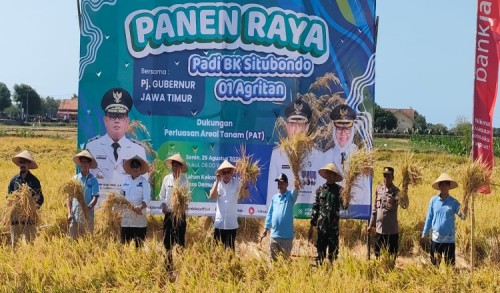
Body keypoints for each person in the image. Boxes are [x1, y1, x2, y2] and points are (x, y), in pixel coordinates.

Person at [267, 98, 327, 217]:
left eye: (301, 124)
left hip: (308, 213)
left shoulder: (319, 155)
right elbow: (272, 195)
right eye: (293, 123)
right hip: (284, 214)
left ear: (307, 127)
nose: (297, 129)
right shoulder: (277, 153)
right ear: (287, 127)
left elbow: (321, 192)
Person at [85, 87, 146, 195]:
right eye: (113, 116)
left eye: (121, 116)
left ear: (127, 121)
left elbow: (143, 184)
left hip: (127, 206)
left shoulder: (138, 150)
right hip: (100, 206)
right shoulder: (92, 147)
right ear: (105, 120)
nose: (117, 120)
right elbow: (86, 180)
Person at [324, 104, 371, 210]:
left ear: (353, 129)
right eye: (339, 128)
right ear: (334, 130)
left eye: (347, 128)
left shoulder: (360, 159)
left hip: (351, 209)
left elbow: (364, 193)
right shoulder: (325, 156)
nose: (343, 134)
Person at [421, 173, 466, 266]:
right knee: (434, 265)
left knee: (450, 266)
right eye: (442, 184)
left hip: (449, 240)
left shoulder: (454, 202)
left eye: (446, 184)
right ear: (439, 186)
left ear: (449, 187)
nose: (444, 186)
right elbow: (429, 217)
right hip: (436, 239)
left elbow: (463, 217)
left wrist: (466, 204)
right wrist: (424, 233)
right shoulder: (433, 200)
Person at [368, 167, 406, 262]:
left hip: (391, 230)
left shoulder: (397, 192)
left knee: (391, 255)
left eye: (388, 176)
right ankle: (380, 272)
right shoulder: (379, 189)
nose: (386, 178)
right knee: (378, 254)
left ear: (393, 177)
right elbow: (375, 209)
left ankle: (390, 271)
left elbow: (404, 205)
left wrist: (405, 192)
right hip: (380, 229)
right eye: (384, 176)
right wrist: (371, 225)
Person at [158, 153, 190, 269]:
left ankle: (181, 267)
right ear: (171, 166)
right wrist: (163, 206)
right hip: (169, 215)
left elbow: (187, 200)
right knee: (167, 243)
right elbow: (161, 196)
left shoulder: (185, 181)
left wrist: (183, 206)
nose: (175, 168)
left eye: (178, 165)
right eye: (174, 165)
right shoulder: (167, 179)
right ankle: (168, 267)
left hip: (180, 216)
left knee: (180, 242)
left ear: (181, 168)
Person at [308, 163, 343, 265]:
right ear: (326, 175)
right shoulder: (320, 190)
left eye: (332, 174)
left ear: (335, 176)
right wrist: (311, 226)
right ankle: (320, 271)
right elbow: (315, 208)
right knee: (320, 252)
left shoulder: (340, 191)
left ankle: (331, 273)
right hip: (321, 227)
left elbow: (345, 206)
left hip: (333, 228)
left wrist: (347, 196)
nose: (330, 176)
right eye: (328, 173)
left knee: (333, 254)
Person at [209, 160, 248, 251]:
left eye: (228, 172)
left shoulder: (237, 183)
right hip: (219, 224)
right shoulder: (217, 184)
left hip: (231, 224)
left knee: (230, 251)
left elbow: (246, 195)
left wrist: (245, 185)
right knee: (217, 251)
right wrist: (217, 181)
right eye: (224, 172)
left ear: (232, 172)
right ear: (221, 173)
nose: (226, 174)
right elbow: (211, 196)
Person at [8, 150, 44, 247]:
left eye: (25, 162)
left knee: (28, 244)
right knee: (14, 244)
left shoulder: (34, 181)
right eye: (21, 162)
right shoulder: (14, 180)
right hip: (15, 217)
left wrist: (33, 206)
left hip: (29, 217)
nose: (22, 164)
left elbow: (40, 199)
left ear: (29, 164)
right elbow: (8, 197)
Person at [261, 173, 299, 261]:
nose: (280, 185)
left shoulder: (290, 196)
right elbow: (270, 213)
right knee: (273, 261)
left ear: (287, 184)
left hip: (286, 237)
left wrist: (297, 184)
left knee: (285, 261)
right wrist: (266, 228)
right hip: (274, 236)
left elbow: (296, 190)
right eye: (278, 183)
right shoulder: (274, 198)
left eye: (282, 183)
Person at [67, 150, 100, 239]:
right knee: (73, 240)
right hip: (75, 215)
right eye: (82, 162)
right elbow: (69, 198)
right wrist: (69, 213)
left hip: (88, 216)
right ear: (80, 163)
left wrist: (88, 207)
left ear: (89, 164)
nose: (84, 164)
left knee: (87, 240)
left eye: (86, 162)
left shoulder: (93, 180)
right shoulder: (74, 179)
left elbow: (95, 197)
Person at [121, 155, 151, 248]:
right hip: (126, 221)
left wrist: (140, 207)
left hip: (139, 221)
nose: (135, 168)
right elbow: (121, 197)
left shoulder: (144, 182)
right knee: (124, 247)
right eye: (133, 166)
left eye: (137, 166)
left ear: (140, 168)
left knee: (139, 247)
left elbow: (147, 198)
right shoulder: (125, 181)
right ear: (130, 168)